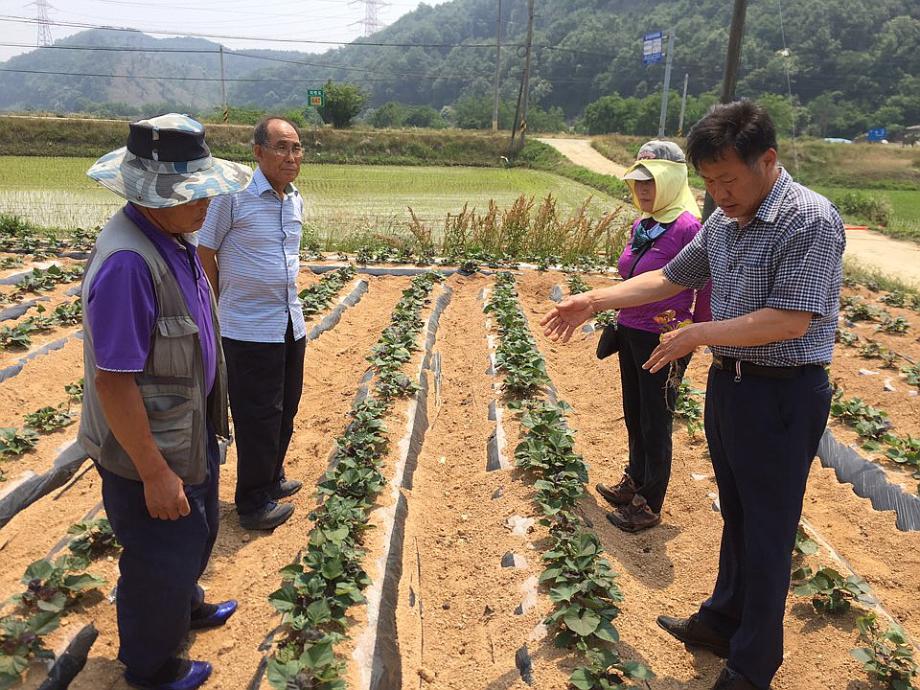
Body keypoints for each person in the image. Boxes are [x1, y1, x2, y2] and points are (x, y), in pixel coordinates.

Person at [542, 101, 844, 690]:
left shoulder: (808, 219)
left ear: (768, 161)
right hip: (730, 386)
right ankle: (722, 620)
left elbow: (791, 320)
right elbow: (672, 277)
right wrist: (596, 300)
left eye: (728, 179)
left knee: (769, 530)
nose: (719, 193)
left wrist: (699, 333)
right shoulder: (725, 220)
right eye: (709, 182)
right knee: (737, 514)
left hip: (783, 396)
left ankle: (753, 664)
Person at [79, 114, 253, 689]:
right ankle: (151, 667)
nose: (205, 203)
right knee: (159, 557)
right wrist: (154, 471)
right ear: (150, 195)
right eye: (192, 193)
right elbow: (114, 382)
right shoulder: (130, 263)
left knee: (194, 535)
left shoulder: (172, 237)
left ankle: (186, 604)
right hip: (151, 449)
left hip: (186, 431)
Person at [596, 140, 711, 533]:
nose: (643, 190)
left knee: (656, 420)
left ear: (672, 181)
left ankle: (648, 503)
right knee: (635, 412)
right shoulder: (643, 224)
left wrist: (695, 331)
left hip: (665, 338)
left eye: (651, 183)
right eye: (638, 183)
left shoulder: (688, 227)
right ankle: (634, 480)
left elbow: (707, 284)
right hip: (631, 330)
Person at [198, 116, 306, 531]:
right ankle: (252, 502)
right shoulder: (233, 196)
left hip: (288, 324)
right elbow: (205, 253)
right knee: (257, 416)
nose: (290, 156)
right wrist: (217, 306)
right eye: (281, 147)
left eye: (296, 148)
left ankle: (272, 477)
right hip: (246, 328)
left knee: (285, 409)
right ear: (257, 152)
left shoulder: (294, 199)